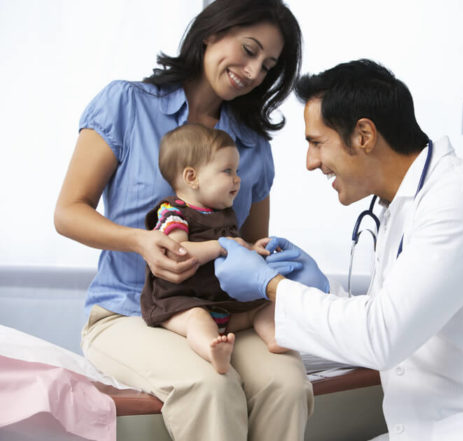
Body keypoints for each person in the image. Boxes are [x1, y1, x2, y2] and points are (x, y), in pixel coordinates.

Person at [214, 59, 463, 441]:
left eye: (317, 143)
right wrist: (319, 290)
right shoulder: (401, 208)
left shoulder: (461, 200)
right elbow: (389, 319)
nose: (311, 162)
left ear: (364, 135)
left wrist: (270, 285)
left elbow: (382, 337)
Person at [53, 1, 312, 440]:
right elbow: (68, 212)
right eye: (248, 50)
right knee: (211, 387)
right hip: (128, 311)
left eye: (267, 66)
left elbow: (250, 249)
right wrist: (140, 242)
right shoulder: (126, 104)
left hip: (224, 313)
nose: (252, 72)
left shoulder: (252, 147)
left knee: (287, 385)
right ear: (212, 32)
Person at [141, 123, 288, 376]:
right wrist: (221, 246)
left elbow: (234, 249)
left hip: (223, 303)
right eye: (227, 171)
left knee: (267, 304)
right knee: (198, 320)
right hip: (180, 302)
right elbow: (179, 250)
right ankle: (212, 350)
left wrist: (252, 248)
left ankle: (273, 336)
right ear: (192, 177)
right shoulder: (173, 212)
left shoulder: (223, 214)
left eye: (237, 171)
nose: (237, 179)